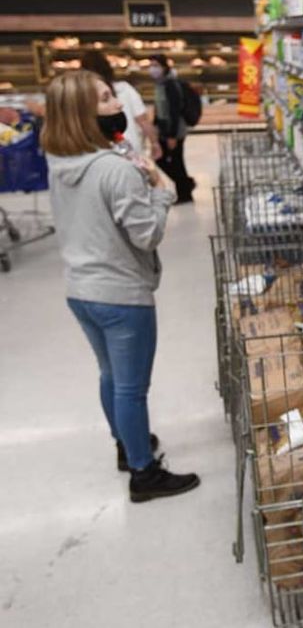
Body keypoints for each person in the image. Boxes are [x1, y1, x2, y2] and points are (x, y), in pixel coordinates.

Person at [41, 70, 200, 503]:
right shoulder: (115, 170)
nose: (119, 106)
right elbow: (146, 233)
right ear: (81, 113)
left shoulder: (59, 162)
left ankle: (125, 446)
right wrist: (161, 190)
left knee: (111, 376)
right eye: (107, 99)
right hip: (121, 294)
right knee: (132, 388)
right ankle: (144, 474)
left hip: (80, 289)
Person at [80, 50, 162, 161]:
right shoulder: (124, 89)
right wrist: (154, 143)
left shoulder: (123, 89)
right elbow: (143, 120)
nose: (119, 104)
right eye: (105, 99)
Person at [149, 54, 195, 204]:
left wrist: (172, 135)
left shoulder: (170, 84)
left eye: (156, 65)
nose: (152, 68)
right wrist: (155, 125)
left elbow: (174, 111)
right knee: (170, 161)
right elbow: (159, 108)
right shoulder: (160, 84)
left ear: (164, 67)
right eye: (151, 65)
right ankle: (185, 187)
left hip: (174, 130)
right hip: (165, 129)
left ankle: (185, 192)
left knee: (173, 161)